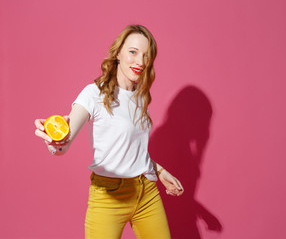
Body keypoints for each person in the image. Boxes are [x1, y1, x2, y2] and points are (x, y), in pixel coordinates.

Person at [34, 24, 184, 239]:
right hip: (109, 196)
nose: (140, 62)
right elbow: (63, 144)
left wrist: (160, 171)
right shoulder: (93, 93)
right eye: (133, 52)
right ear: (118, 53)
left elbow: (130, 150)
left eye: (146, 56)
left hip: (146, 192)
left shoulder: (141, 97)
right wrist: (55, 141)